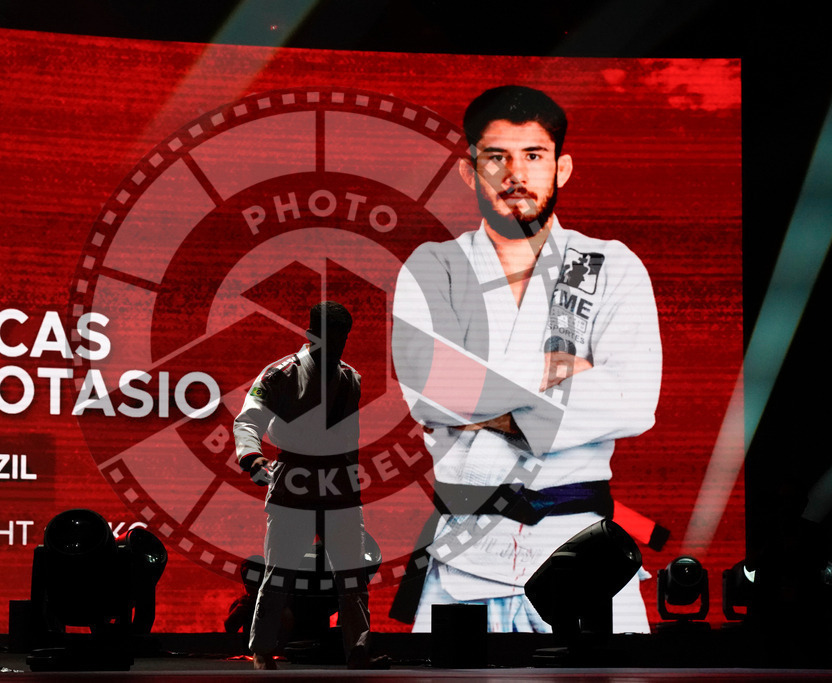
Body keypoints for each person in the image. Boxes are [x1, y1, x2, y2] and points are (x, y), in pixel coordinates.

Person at [390, 85, 662, 633]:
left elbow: (633, 400)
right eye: (497, 157)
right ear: (470, 172)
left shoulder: (610, 265)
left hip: (585, 548)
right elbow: (430, 387)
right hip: (463, 553)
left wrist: (484, 392)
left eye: (533, 156)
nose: (516, 173)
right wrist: (563, 373)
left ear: (561, 168)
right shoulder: (434, 265)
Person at [233, 302, 386, 669]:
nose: (337, 344)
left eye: (342, 337)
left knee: (352, 575)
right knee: (279, 571)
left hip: (339, 483)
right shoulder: (280, 374)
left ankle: (358, 650)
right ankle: (262, 650)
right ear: (311, 333)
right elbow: (248, 421)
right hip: (295, 477)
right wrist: (251, 458)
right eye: (329, 336)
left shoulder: (352, 377)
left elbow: (349, 436)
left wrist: (352, 484)